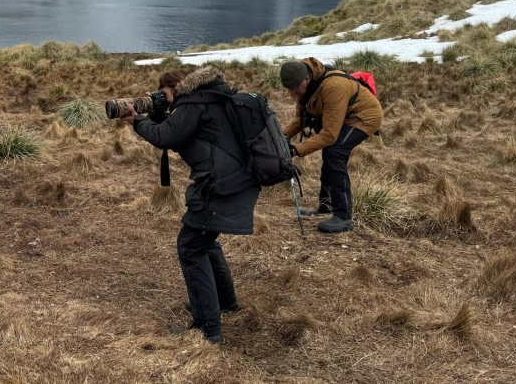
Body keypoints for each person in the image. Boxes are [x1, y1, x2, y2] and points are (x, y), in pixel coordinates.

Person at [123, 67, 257, 345]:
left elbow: (164, 137)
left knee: (191, 245)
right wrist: (160, 113)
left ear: (177, 88)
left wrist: (137, 121)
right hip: (239, 180)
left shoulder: (194, 102)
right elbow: (180, 132)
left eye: (165, 95)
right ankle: (225, 303)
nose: (165, 100)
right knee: (205, 239)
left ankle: (207, 328)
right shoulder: (213, 96)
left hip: (220, 185)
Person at [279, 58, 383, 233]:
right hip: (342, 117)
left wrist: (295, 150)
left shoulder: (333, 87)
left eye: (296, 88)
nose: (294, 93)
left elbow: (329, 135)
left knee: (334, 153)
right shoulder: (304, 88)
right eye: (290, 90)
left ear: (306, 79)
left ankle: (343, 217)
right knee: (330, 153)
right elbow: (299, 120)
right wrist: (280, 139)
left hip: (364, 117)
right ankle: (326, 206)